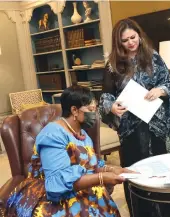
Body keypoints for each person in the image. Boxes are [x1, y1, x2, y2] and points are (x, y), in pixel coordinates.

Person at [6, 85, 130, 216]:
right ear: (74, 110)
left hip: (84, 190)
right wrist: (101, 178)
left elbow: (91, 164)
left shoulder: (82, 134)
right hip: (55, 199)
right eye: (90, 109)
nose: (94, 115)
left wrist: (112, 170)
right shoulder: (52, 135)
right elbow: (56, 185)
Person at [99, 19, 170, 217]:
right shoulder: (113, 64)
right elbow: (105, 94)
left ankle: (167, 211)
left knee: (161, 169)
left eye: (133, 37)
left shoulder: (153, 57)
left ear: (139, 35)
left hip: (157, 125)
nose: (130, 43)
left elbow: (169, 84)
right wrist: (112, 106)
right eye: (125, 40)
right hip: (131, 129)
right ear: (118, 43)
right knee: (135, 171)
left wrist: (160, 90)